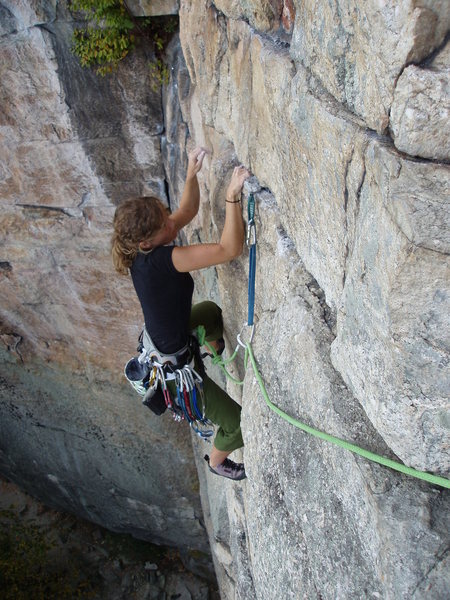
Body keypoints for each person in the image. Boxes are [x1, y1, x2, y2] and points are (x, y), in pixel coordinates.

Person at [112, 146, 250, 480]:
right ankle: (217, 462)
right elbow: (229, 249)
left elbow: (185, 211)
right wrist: (232, 197)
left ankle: (214, 348)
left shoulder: (141, 249)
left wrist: (191, 172)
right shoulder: (162, 260)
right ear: (148, 242)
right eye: (164, 225)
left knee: (212, 314)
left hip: (166, 340)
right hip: (175, 373)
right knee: (235, 422)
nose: (171, 225)